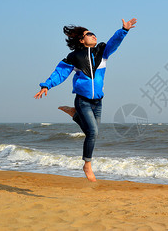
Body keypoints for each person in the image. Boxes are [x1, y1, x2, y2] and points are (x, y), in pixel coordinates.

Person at [34, 18, 137, 181]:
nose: (93, 35)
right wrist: (47, 85)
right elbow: (60, 73)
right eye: (89, 34)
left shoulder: (102, 51)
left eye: (94, 33)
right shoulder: (74, 56)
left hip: (98, 101)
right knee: (93, 132)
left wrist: (124, 31)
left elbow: (114, 42)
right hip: (82, 100)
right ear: (82, 40)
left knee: (93, 133)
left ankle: (74, 115)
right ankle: (87, 164)